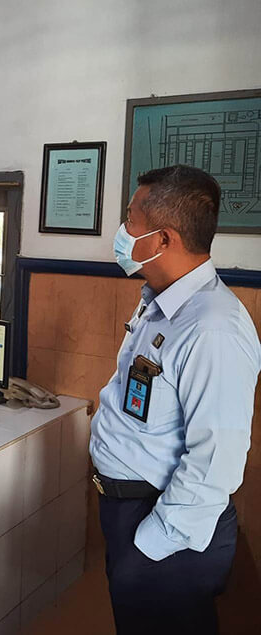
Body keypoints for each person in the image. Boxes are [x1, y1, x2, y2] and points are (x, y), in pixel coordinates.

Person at [90, 164, 261, 634]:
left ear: (163, 239)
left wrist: (149, 545)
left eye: (131, 219)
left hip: (167, 530)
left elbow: (216, 461)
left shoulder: (213, 329)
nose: (123, 232)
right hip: (131, 513)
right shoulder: (161, 300)